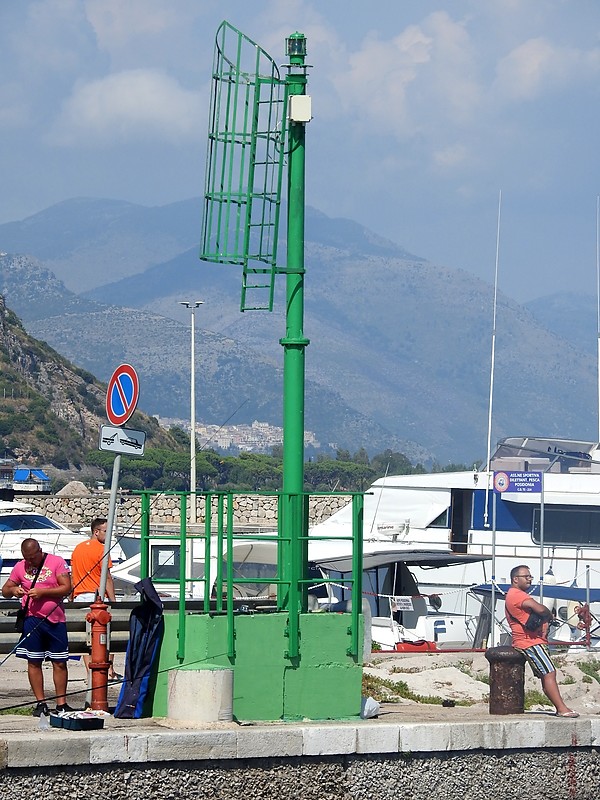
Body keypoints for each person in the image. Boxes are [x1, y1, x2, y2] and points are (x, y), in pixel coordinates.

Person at [1, 537, 72, 716]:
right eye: (27, 558)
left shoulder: (56, 562)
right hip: (32, 619)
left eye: (33, 557)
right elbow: (5, 590)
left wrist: (43, 592)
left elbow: (66, 588)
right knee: (34, 662)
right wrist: (14, 590)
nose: (30, 561)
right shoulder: (20, 567)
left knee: (59, 662)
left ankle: (61, 703)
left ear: (40, 551)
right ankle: (41, 703)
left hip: (55, 619)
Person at [505, 564, 579, 718]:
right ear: (515, 579)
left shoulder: (516, 594)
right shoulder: (516, 595)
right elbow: (540, 609)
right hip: (528, 642)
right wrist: (546, 614)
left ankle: (561, 707)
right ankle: (561, 708)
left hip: (534, 640)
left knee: (548, 673)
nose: (530, 579)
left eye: (530, 576)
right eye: (526, 576)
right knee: (549, 672)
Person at [70, 517, 120, 680]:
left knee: (86, 638)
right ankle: (109, 671)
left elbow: (73, 576)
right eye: (106, 531)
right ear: (96, 531)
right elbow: (107, 578)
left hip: (79, 597)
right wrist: (113, 600)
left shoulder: (77, 549)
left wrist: (71, 597)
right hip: (97, 597)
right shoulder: (102, 549)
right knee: (107, 634)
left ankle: (89, 672)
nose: (108, 535)